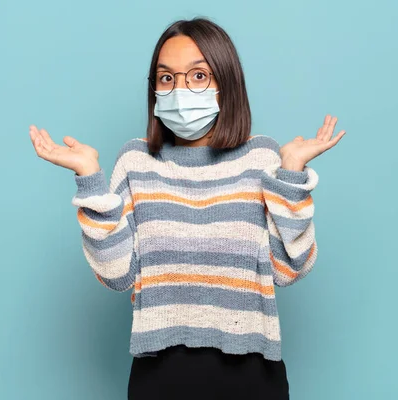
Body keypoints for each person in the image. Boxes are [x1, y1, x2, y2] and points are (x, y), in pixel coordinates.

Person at [29, 17, 345, 400]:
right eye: (167, 79)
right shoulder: (136, 160)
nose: (180, 90)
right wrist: (90, 176)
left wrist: (291, 173)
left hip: (253, 376)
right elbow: (117, 274)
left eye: (198, 76)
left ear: (226, 83)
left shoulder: (262, 157)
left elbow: (290, 268)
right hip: (159, 377)